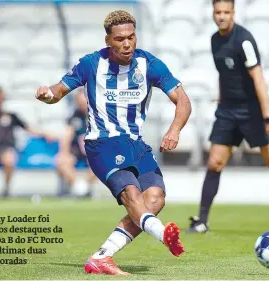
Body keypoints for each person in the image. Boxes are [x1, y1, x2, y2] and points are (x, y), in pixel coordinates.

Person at [35, 10, 192, 275]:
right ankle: (164, 235)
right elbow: (58, 91)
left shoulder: (149, 64)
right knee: (132, 194)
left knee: (154, 199)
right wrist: (47, 94)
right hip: (103, 143)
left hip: (136, 144)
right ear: (108, 40)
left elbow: (183, 100)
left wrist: (174, 130)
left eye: (131, 37)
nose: (127, 44)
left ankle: (102, 256)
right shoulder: (91, 64)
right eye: (120, 39)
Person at [188, 0, 269, 236]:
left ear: (233, 13)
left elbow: (258, 79)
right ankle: (202, 221)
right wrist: (221, 101)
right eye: (218, 12)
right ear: (213, 13)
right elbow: (223, 74)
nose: (221, 16)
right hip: (227, 111)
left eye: (226, 12)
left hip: (252, 111)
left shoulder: (245, 40)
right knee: (214, 162)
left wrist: (268, 117)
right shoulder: (214, 40)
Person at [0, 86, 54, 197]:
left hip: (6, 148)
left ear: (3, 98)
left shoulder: (12, 116)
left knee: (9, 161)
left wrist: (45, 133)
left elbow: (28, 129)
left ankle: (6, 190)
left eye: (0, 96)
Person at [55, 89, 97, 197]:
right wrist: (64, 153)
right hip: (77, 151)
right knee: (61, 161)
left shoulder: (99, 116)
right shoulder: (74, 116)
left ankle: (85, 187)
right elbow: (67, 137)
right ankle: (78, 187)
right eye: (79, 102)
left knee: (101, 161)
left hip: (94, 151)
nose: (82, 104)